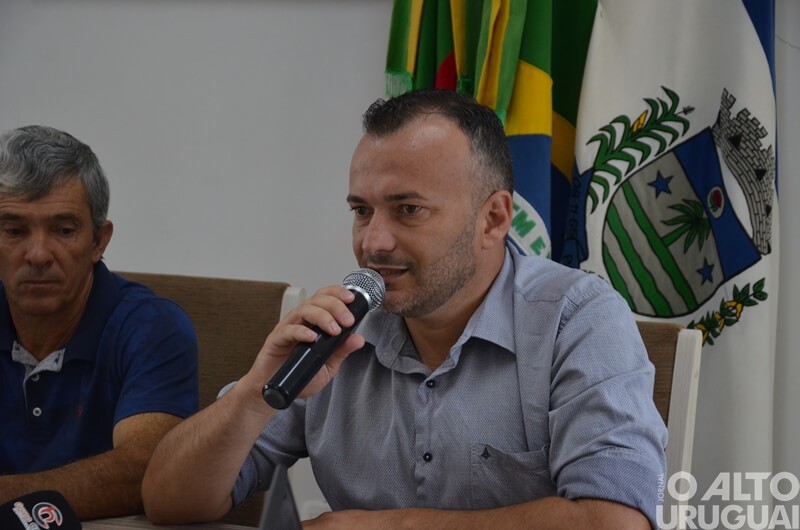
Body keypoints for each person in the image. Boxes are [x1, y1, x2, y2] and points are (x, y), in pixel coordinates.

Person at [142, 89, 667, 529]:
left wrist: (391, 526)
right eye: (361, 210)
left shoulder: (577, 318)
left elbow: (615, 520)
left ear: (493, 218)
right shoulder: (336, 327)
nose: (373, 242)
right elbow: (169, 502)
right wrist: (257, 392)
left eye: (408, 209)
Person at [0, 125, 199, 519]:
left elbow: (144, 472)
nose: (38, 254)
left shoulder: (152, 327)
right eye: (14, 230)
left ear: (98, 241)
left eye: (63, 230)